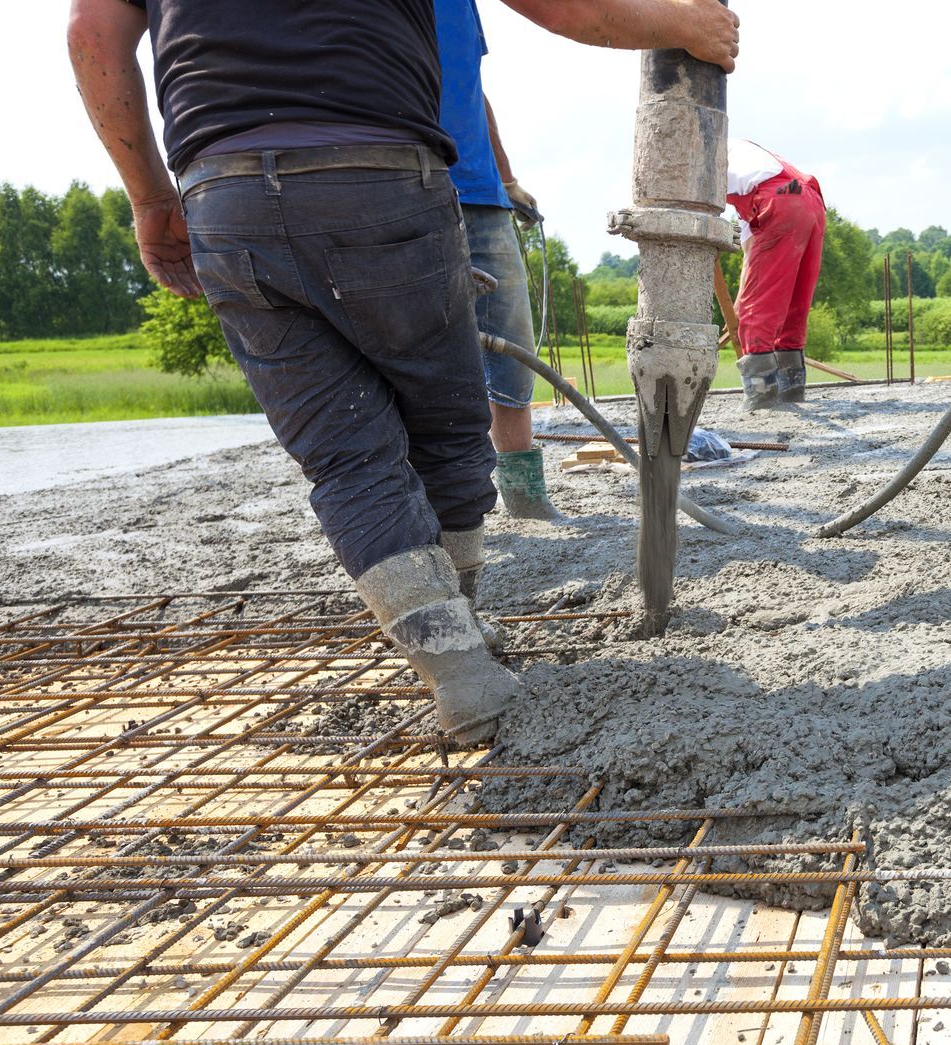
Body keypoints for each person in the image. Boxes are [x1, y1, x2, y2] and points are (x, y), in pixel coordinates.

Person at [67, 0, 738, 744]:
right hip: (377, 176)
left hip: (224, 195)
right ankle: (466, 637)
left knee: (345, 457)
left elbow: (92, 37)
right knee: (446, 424)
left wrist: (151, 197)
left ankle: (459, 670)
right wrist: (683, 24)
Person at [435, 0, 561, 521]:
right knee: (422, 343)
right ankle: (435, 503)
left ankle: (524, 495)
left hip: (482, 193)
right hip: (409, 183)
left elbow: (470, 92)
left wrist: (505, 178)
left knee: (511, 338)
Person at [716, 139, 826, 411]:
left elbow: (753, 264)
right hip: (811, 201)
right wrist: (740, 300)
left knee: (759, 309)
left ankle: (761, 398)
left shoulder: (710, 153)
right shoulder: (751, 161)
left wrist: (745, 305)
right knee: (793, 306)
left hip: (778, 199)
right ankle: (791, 392)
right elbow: (750, 252)